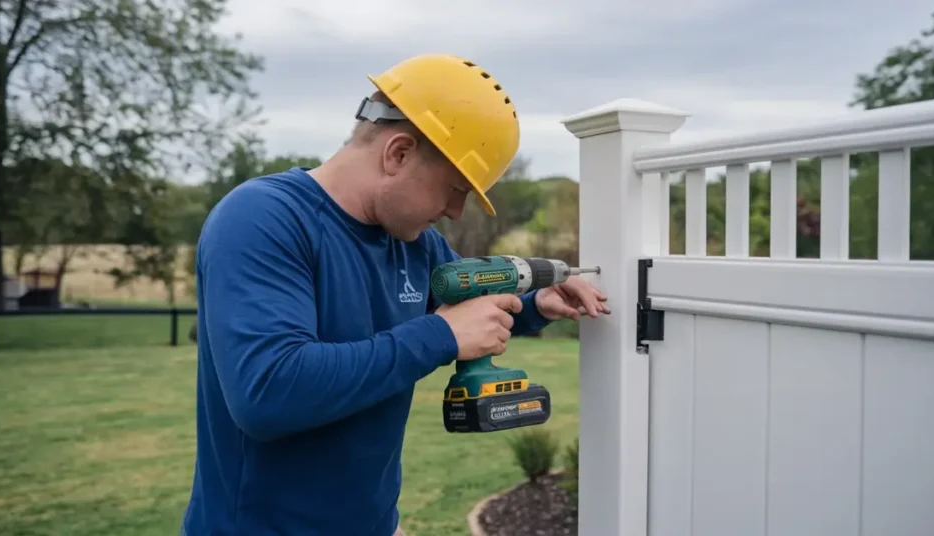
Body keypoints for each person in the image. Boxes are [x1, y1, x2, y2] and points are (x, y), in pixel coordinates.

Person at [179, 53, 610, 536]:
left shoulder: (415, 243)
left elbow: (465, 299)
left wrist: (537, 303)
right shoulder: (262, 219)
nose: (455, 211)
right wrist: (440, 336)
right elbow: (269, 392)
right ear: (398, 153)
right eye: (454, 188)